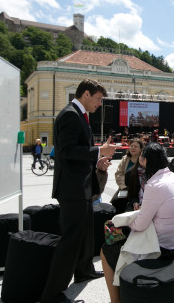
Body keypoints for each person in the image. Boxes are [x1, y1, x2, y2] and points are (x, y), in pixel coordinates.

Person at [40, 78, 116, 303]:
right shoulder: (70, 115)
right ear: (85, 94)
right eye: (99, 99)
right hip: (72, 189)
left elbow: (79, 152)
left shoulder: (78, 114)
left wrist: (98, 160)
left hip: (81, 185)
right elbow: (66, 151)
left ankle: (83, 270)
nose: (100, 104)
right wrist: (99, 150)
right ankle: (52, 294)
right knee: (71, 239)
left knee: (85, 232)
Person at [100, 143, 174, 303]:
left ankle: (116, 300)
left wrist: (127, 225)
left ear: (147, 160)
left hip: (159, 246)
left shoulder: (155, 185)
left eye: (142, 156)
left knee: (106, 249)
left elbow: (140, 225)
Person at [112, 138, 144, 214]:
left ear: (141, 149)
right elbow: (119, 174)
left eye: (136, 146)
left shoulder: (143, 160)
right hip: (125, 188)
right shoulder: (125, 159)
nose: (133, 148)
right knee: (116, 201)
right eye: (131, 146)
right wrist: (125, 187)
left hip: (138, 189)